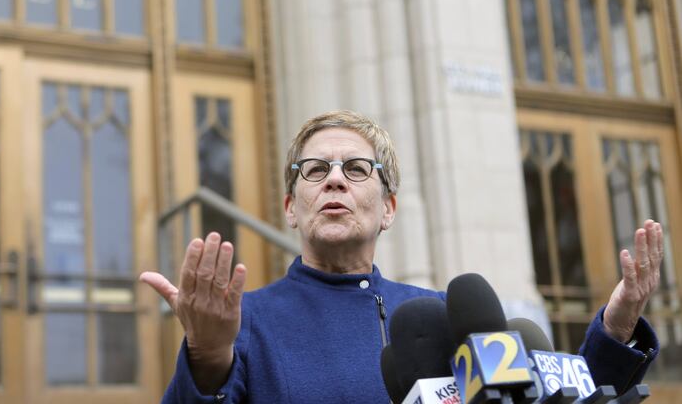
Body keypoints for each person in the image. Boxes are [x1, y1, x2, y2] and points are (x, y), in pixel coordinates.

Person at [141, 110, 662, 403]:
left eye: (356, 169)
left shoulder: (445, 317)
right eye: (315, 170)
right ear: (291, 209)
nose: (335, 180)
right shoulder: (246, 321)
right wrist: (208, 354)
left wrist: (615, 330)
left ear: (388, 209)